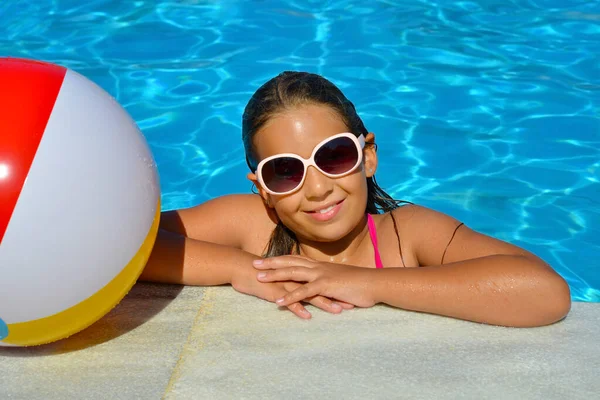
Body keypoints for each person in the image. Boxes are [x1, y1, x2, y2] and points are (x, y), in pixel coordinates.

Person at [140, 71, 571, 327]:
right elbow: (121, 244)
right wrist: (240, 268)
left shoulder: (408, 235)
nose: (317, 188)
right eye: (285, 171)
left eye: (334, 156)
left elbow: (544, 292)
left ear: (367, 156)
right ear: (262, 188)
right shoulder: (254, 225)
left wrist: (366, 283)